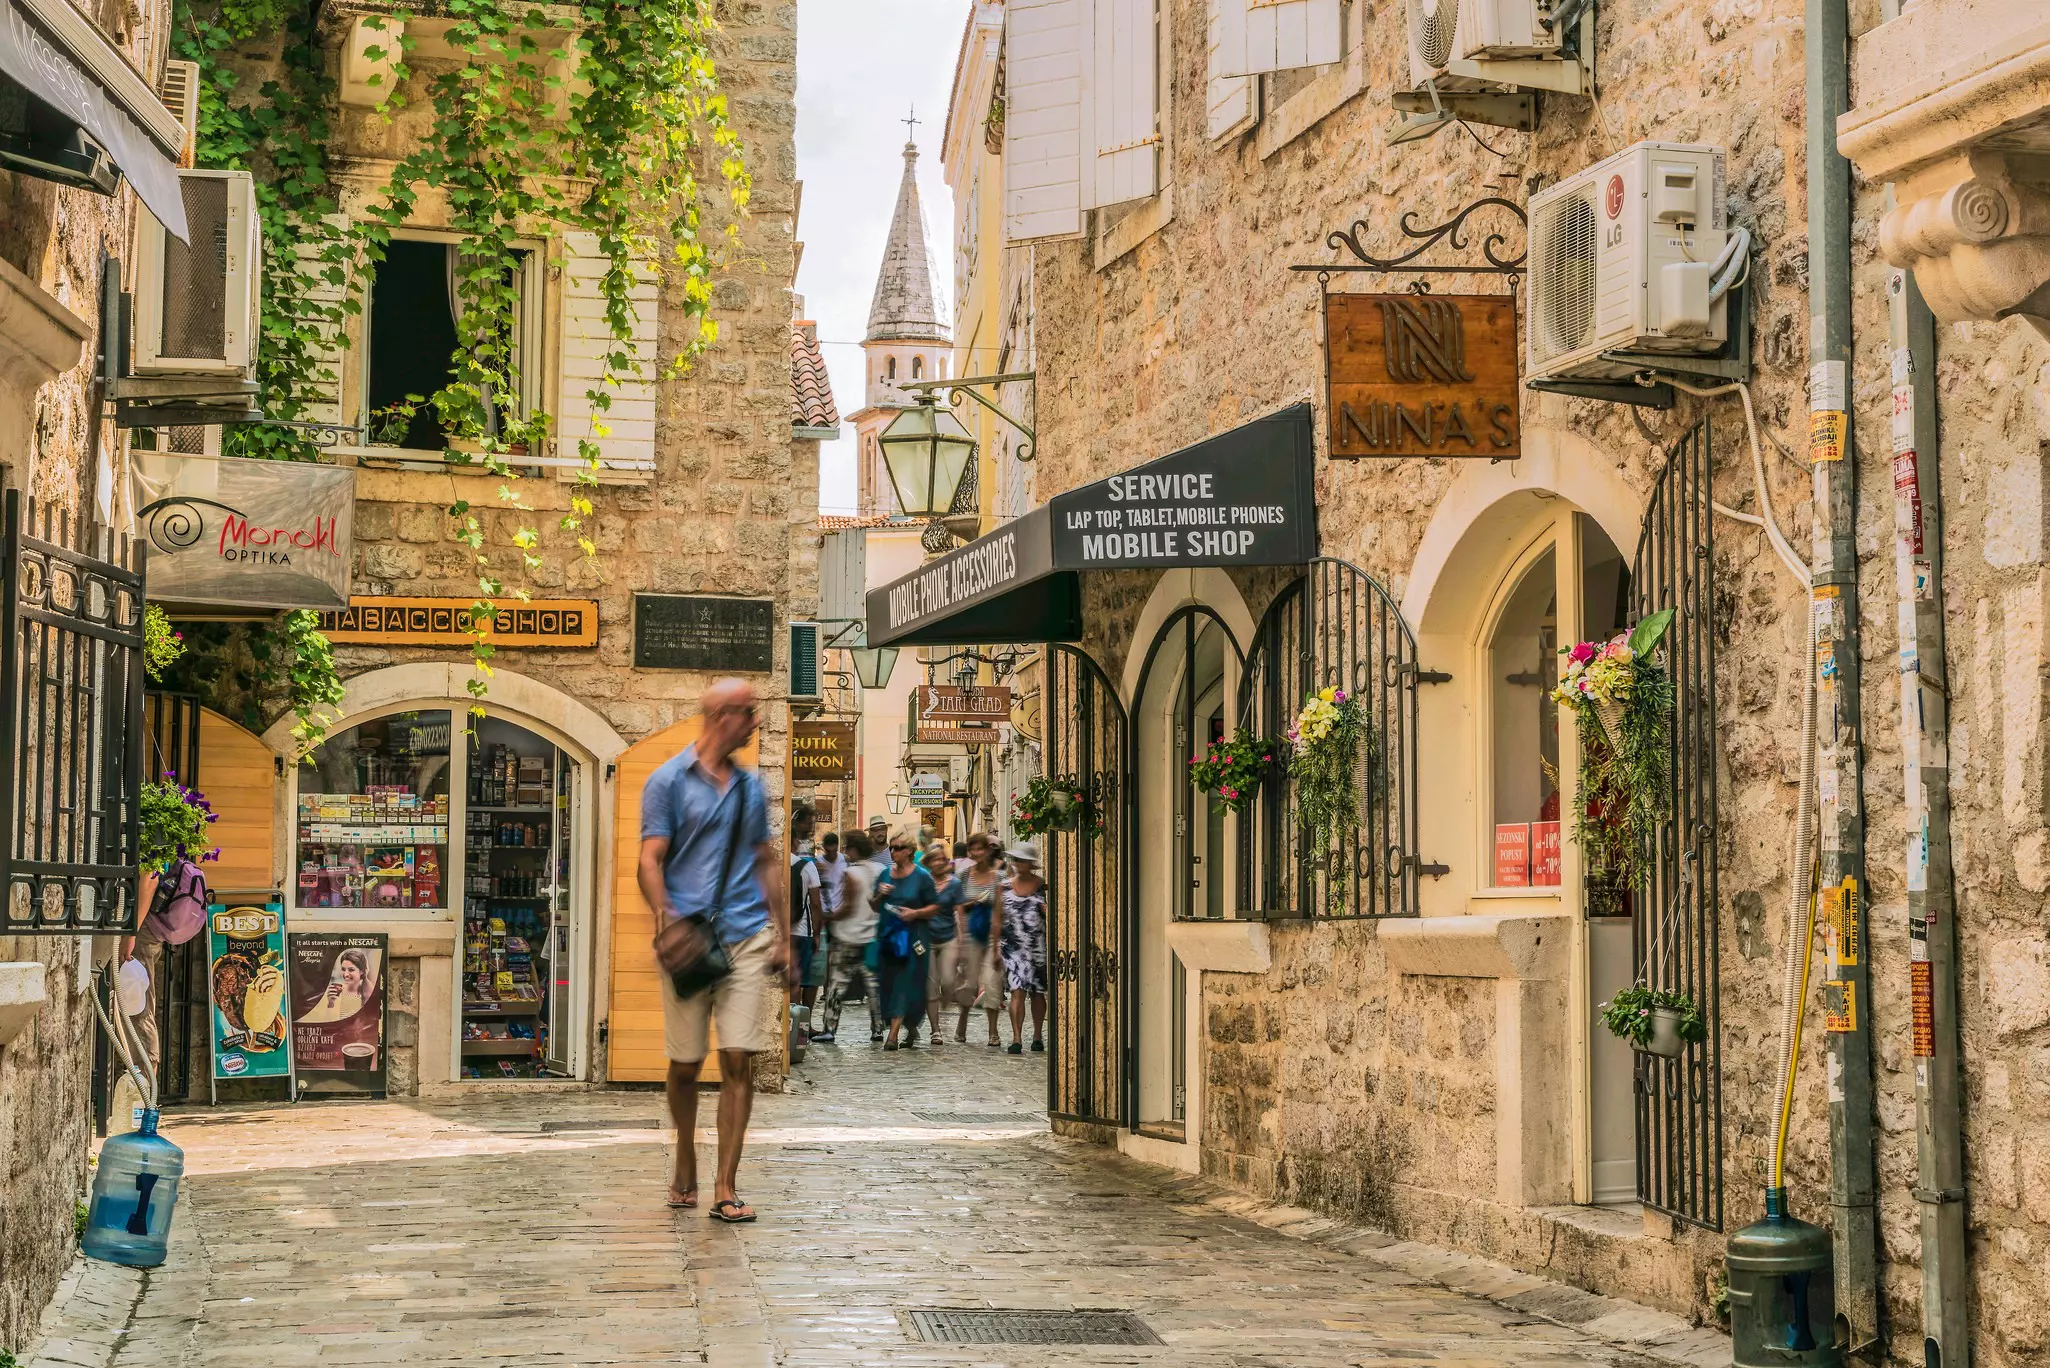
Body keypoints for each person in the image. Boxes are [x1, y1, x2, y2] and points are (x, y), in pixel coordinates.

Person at [637, 678, 789, 1224]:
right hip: (690, 940)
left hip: (747, 934)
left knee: (739, 1057)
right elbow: (650, 861)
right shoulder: (667, 782)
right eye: (749, 713)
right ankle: (684, 1154)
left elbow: (763, 858)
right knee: (684, 1064)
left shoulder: (751, 789)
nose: (755, 723)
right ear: (723, 715)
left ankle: (726, 1183)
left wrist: (785, 933)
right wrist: (668, 920)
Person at [872, 828, 939, 1050]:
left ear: (910, 851)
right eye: (891, 848)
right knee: (888, 984)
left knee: (906, 982)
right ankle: (910, 1026)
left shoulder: (922, 877)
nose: (893, 852)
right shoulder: (884, 875)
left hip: (913, 939)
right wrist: (881, 894)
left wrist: (915, 913)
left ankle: (893, 1035)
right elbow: (873, 906)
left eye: (898, 848)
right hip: (889, 937)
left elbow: (935, 906)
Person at [816, 830, 881, 1043]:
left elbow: (848, 907)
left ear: (853, 849)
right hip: (871, 934)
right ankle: (878, 1028)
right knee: (873, 985)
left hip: (848, 936)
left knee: (837, 984)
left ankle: (830, 1028)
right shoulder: (879, 870)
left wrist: (829, 916)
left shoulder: (851, 874)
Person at [992, 840, 1048, 1055]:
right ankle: (1016, 1038)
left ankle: (1037, 1035)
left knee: (1037, 993)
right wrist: (995, 947)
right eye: (1014, 859)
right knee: (1017, 990)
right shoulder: (1004, 887)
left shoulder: (1042, 886)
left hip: (1036, 946)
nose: (1016, 863)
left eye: (1021, 860)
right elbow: (997, 918)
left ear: (1030, 863)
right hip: (1012, 946)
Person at [953, 833, 1005, 1046]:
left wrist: (1000, 944)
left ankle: (993, 1032)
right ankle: (962, 1021)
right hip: (971, 936)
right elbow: (959, 907)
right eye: (972, 850)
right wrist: (973, 902)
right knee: (969, 983)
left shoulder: (999, 878)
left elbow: (1001, 910)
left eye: (980, 849)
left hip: (993, 936)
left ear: (987, 850)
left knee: (993, 983)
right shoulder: (964, 876)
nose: (976, 853)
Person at [923, 840, 966, 1044]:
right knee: (930, 986)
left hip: (948, 937)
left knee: (948, 982)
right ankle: (935, 1030)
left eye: (943, 859)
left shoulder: (955, 884)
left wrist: (961, 939)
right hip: (927, 939)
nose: (940, 863)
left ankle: (945, 1002)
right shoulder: (924, 882)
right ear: (929, 862)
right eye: (936, 859)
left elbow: (960, 912)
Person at [806, 830, 846, 1016]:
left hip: (837, 914)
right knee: (823, 955)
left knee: (834, 956)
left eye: (833, 851)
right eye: (827, 851)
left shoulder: (844, 861)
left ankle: (829, 988)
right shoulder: (817, 864)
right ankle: (825, 987)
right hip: (821, 915)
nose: (831, 854)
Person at [787, 803, 823, 1012]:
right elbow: (816, 903)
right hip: (802, 930)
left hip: (783, 931)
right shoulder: (807, 866)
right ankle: (796, 1028)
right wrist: (817, 934)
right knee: (799, 980)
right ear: (795, 841)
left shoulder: (776, 863)